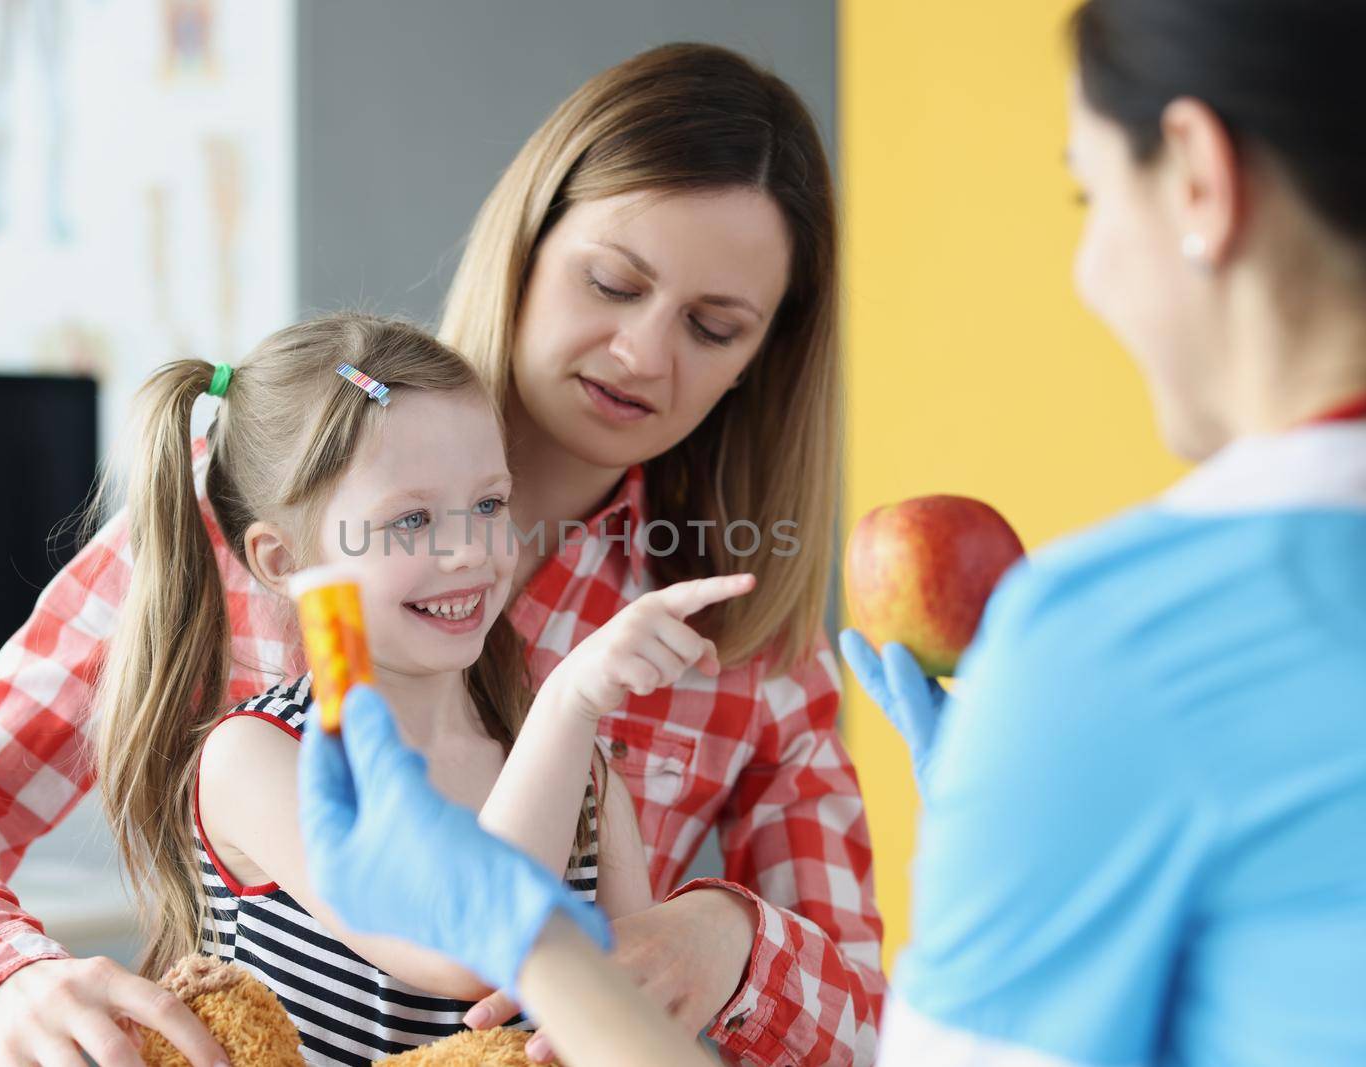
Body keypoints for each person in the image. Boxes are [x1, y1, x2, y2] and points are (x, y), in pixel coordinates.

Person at [0, 42, 881, 1067]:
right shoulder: (256, 497)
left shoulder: (746, 646)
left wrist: (733, 942)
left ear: (761, 360)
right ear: (525, 244)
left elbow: (873, 1019)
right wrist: (4, 980)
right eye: (611, 282)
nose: (640, 353)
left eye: (712, 325)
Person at [840, 2, 1366, 1064]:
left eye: (1089, 193)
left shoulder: (1114, 637)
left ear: (1196, 178)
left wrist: (541, 943)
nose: (1087, 268)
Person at [90, 312, 757, 1066]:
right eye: (410, 519)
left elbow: (634, 1027)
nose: (469, 549)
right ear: (281, 560)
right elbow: (463, 948)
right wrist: (568, 700)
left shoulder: (587, 782)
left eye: (488, 504)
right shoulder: (259, 756)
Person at [298, 684, 720, 1067]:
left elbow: (646, 1009)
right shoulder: (258, 744)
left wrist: (720, 922)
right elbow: (464, 969)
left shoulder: (588, 775)